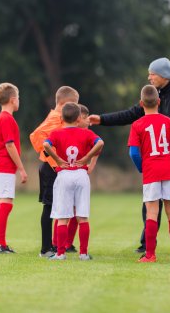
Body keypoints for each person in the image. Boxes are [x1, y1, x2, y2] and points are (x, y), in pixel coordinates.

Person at [89, 57, 170, 255]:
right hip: (156, 160)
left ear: (164, 75)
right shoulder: (152, 98)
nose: (149, 77)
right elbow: (128, 115)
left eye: (152, 73)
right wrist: (102, 119)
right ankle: (147, 244)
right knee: (151, 204)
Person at [128, 85, 170, 263]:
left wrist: (142, 167)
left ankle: (150, 255)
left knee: (151, 212)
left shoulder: (137, 125)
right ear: (159, 101)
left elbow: (133, 153)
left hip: (151, 171)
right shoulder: (168, 122)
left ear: (141, 103)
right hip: (169, 170)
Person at [43, 103, 104, 260]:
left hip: (64, 174)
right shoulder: (86, 133)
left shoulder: (57, 134)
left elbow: (45, 145)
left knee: (63, 217)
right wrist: (86, 158)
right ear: (79, 118)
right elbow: (100, 143)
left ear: (62, 118)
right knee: (82, 216)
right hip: (81, 175)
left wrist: (57, 158)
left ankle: (61, 253)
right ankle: (83, 253)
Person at [29, 86, 80, 257]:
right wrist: (54, 160)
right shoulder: (55, 118)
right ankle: (45, 249)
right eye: (75, 105)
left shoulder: (58, 118)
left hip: (53, 168)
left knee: (56, 206)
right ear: (66, 103)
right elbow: (36, 136)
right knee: (49, 206)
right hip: (50, 169)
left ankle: (52, 245)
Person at [0, 82, 28, 253]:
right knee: (6, 203)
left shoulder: (2, 118)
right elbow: (10, 145)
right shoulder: (6, 118)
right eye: (18, 98)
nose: (19, 101)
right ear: (13, 100)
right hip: (3, 164)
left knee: (3, 203)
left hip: (0, 165)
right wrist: (21, 168)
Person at [61, 104, 99, 253]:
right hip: (68, 174)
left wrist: (91, 163)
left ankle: (67, 244)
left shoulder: (87, 134)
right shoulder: (70, 132)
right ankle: (59, 243)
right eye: (85, 118)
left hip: (78, 175)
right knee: (65, 212)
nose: (88, 122)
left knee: (76, 212)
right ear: (79, 119)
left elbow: (99, 146)